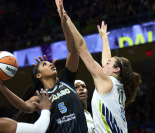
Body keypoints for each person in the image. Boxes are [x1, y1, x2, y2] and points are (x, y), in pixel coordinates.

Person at [0, 0, 88, 132]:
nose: (51, 64)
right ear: (38, 75)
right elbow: (24, 107)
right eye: (45, 64)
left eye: (49, 63)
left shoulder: (66, 81)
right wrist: (1, 86)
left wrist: (64, 23)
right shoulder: (40, 97)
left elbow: (73, 51)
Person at [57, 0, 142, 132]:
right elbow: (106, 61)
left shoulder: (107, 82)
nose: (104, 64)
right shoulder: (119, 87)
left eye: (108, 63)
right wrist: (105, 39)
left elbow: (81, 47)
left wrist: (66, 18)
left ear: (116, 69)